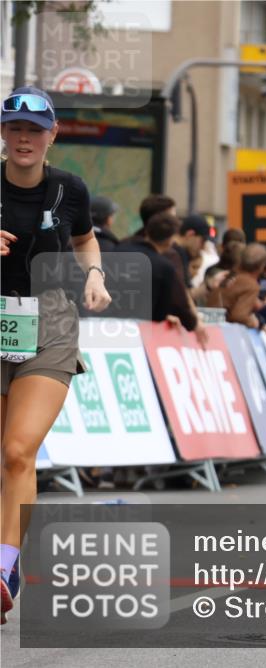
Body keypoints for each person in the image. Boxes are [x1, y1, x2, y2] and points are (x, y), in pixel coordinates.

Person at [1, 87, 113, 623]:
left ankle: (3, 568)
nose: (24, 137)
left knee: (19, 451)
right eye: (15, 127)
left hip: (50, 322)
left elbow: (86, 239)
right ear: (3, 133)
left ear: (52, 135)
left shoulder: (70, 189)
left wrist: (94, 273)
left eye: (34, 128)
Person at [116, 212, 208, 344]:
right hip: (138, 336)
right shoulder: (164, 266)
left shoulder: (119, 249)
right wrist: (193, 324)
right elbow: (176, 303)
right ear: (171, 240)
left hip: (102, 326)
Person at [222, 243, 266, 329]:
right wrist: (253, 322)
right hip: (224, 332)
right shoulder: (251, 285)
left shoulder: (227, 276)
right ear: (262, 266)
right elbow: (238, 315)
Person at [175, 214, 211, 288]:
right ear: (190, 234)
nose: (203, 248)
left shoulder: (180, 253)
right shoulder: (176, 255)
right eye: (202, 241)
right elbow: (184, 295)